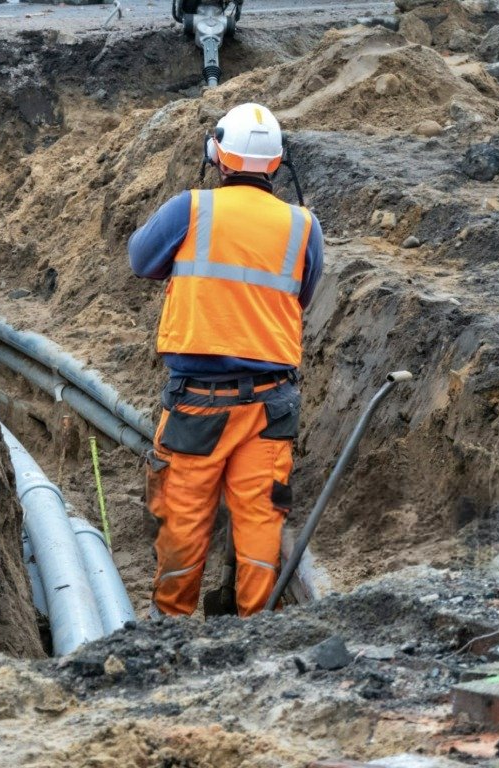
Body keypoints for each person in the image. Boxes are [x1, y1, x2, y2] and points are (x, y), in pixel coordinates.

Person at [127, 102, 324, 618]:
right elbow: (298, 296)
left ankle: (169, 628)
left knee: (184, 521)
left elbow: (140, 260)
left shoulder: (189, 210)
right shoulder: (304, 226)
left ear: (217, 154)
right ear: (278, 164)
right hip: (270, 407)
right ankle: (258, 634)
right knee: (261, 524)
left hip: (198, 406)